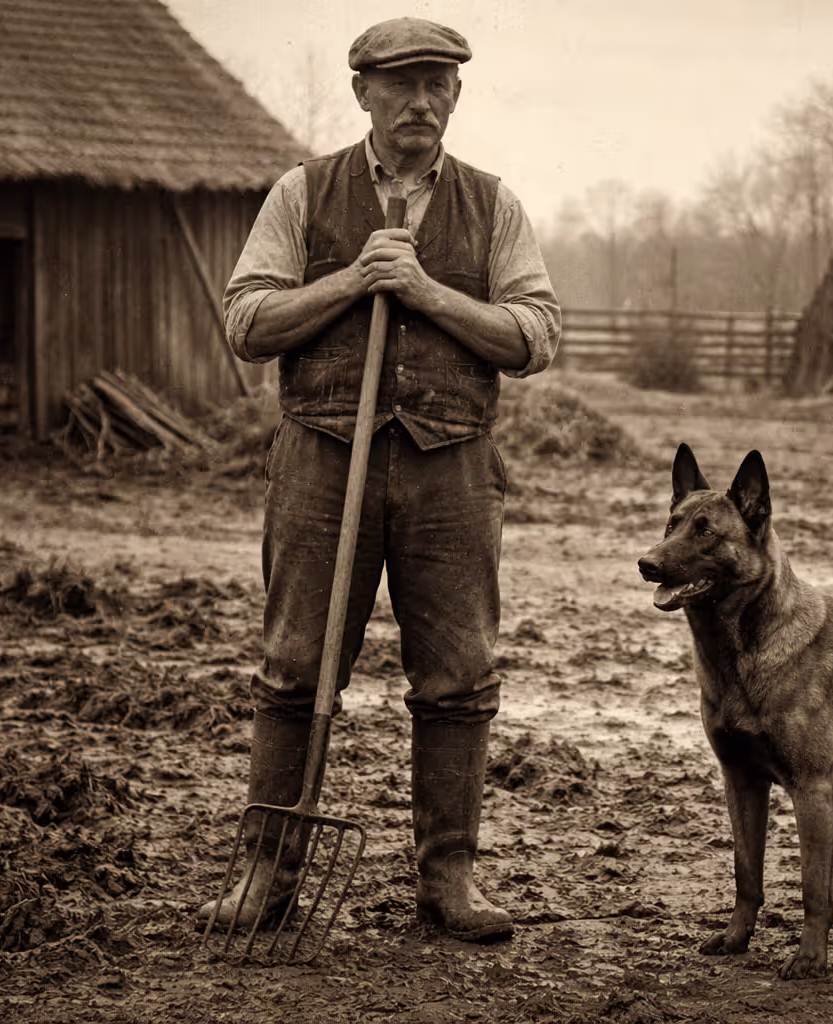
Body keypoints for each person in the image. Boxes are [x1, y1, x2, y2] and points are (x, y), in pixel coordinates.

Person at [198, 16, 560, 943]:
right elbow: (246, 321)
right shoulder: (301, 192)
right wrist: (356, 279)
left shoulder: (492, 205)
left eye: (439, 84)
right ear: (363, 92)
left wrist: (430, 293)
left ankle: (449, 884)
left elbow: (536, 337)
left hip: (453, 471)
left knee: (459, 680)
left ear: (457, 96)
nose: (422, 102)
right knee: (292, 669)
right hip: (321, 459)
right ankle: (265, 875)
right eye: (402, 84)